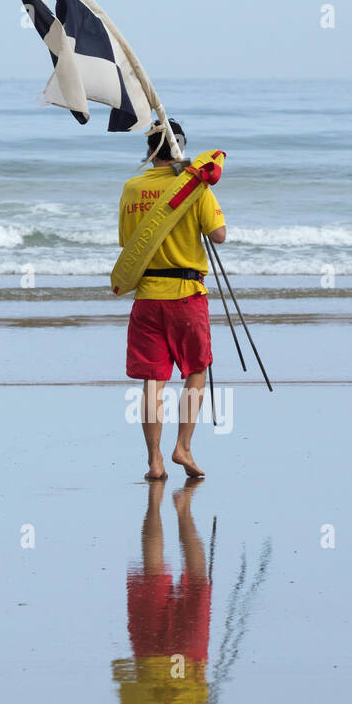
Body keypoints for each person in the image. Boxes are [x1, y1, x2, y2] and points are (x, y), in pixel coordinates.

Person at [118, 119, 226, 481]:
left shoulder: (132, 188)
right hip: (186, 297)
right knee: (195, 371)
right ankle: (183, 447)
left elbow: (127, 245)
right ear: (179, 148)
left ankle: (154, 461)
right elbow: (220, 235)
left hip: (147, 297)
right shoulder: (194, 189)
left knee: (152, 380)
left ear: (149, 150)